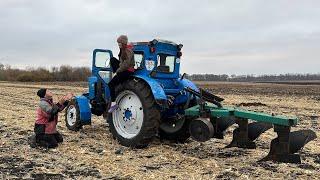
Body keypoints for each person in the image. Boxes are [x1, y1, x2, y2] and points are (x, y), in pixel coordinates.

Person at [108, 35, 135, 112]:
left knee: (111, 84)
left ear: (123, 43)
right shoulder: (122, 50)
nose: (118, 44)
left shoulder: (128, 50)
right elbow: (121, 63)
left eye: (119, 43)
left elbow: (126, 64)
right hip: (124, 70)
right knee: (112, 59)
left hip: (127, 71)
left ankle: (113, 104)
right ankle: (118, 78)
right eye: (118, 43)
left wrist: (118, 71)